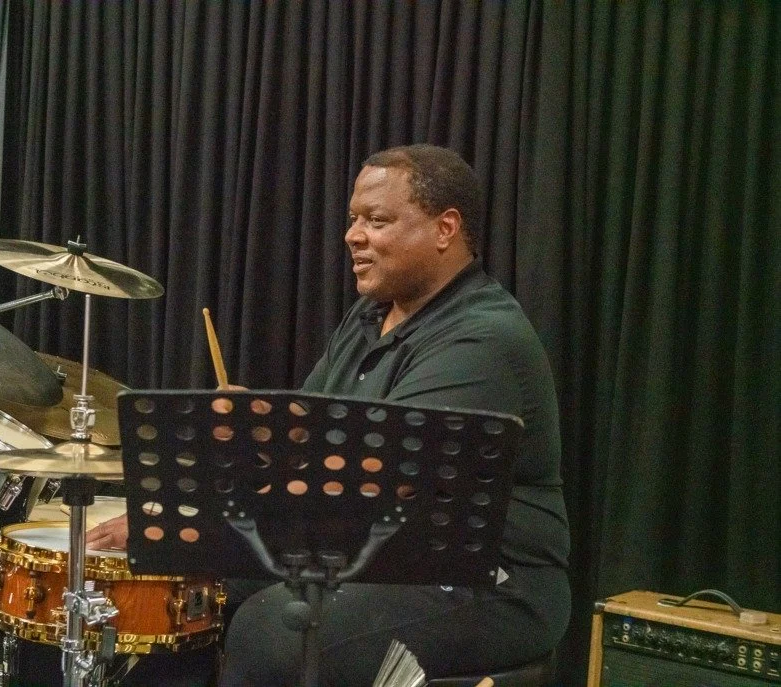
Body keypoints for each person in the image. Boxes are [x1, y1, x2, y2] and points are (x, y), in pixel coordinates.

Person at [87, 144, 571, 685]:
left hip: (486, 584)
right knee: (186, 591)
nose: (352, 235)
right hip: (377, 553)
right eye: (353, 219)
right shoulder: (370, 316)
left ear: (445, 229)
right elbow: (307, 430)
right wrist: (259, 421)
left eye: (376, 220)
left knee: (273, 632)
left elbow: (366, 484)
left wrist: (187, 525)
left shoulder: (482, 338)